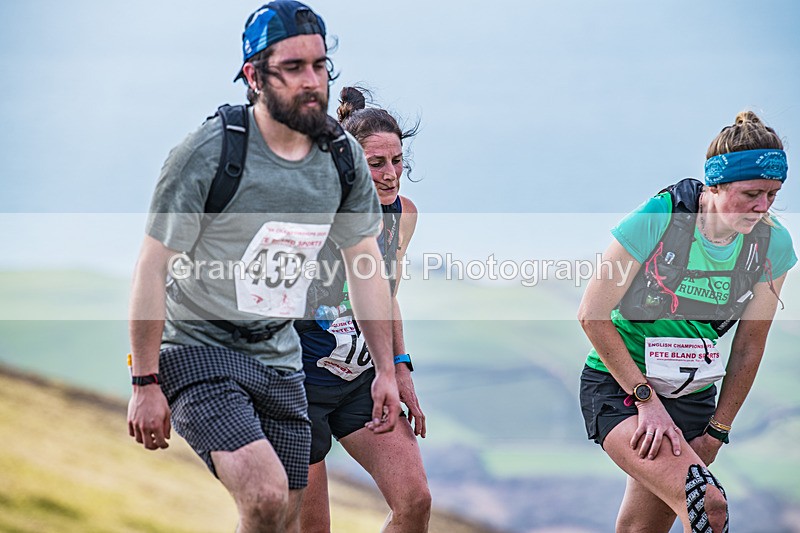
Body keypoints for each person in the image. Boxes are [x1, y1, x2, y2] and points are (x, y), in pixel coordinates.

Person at [126, 3, 401, 532]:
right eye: (293, 68)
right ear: (254, 76)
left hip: (280, 357)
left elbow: (366, 267)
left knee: (283, 516)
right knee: (266, 495)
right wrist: (145, 381)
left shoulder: (342, 157)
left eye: (320, 65)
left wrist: (387, 369)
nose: (312, 81)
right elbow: (150, 266)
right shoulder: (208, 152)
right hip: (199, 350)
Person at [577, 110, 795, 533]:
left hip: (693, 398)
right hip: (620, 387)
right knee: (708, 506)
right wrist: (646, 401)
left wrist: (718, 430)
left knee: (641, 529)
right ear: (715, 183)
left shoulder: (773, 243)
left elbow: (750, 344)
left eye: (773, 194)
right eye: (751, 193)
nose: (762, 207)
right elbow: (592, 314)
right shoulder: (659, 217)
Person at [295, 87, 431, 532]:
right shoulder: (316, 218)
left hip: (364, 382)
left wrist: (401, 368)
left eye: (397, 162)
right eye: (376, 164)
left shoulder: (403, 215)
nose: (391, 175)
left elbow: (387, 294)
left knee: (415, 503)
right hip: (301, 389)